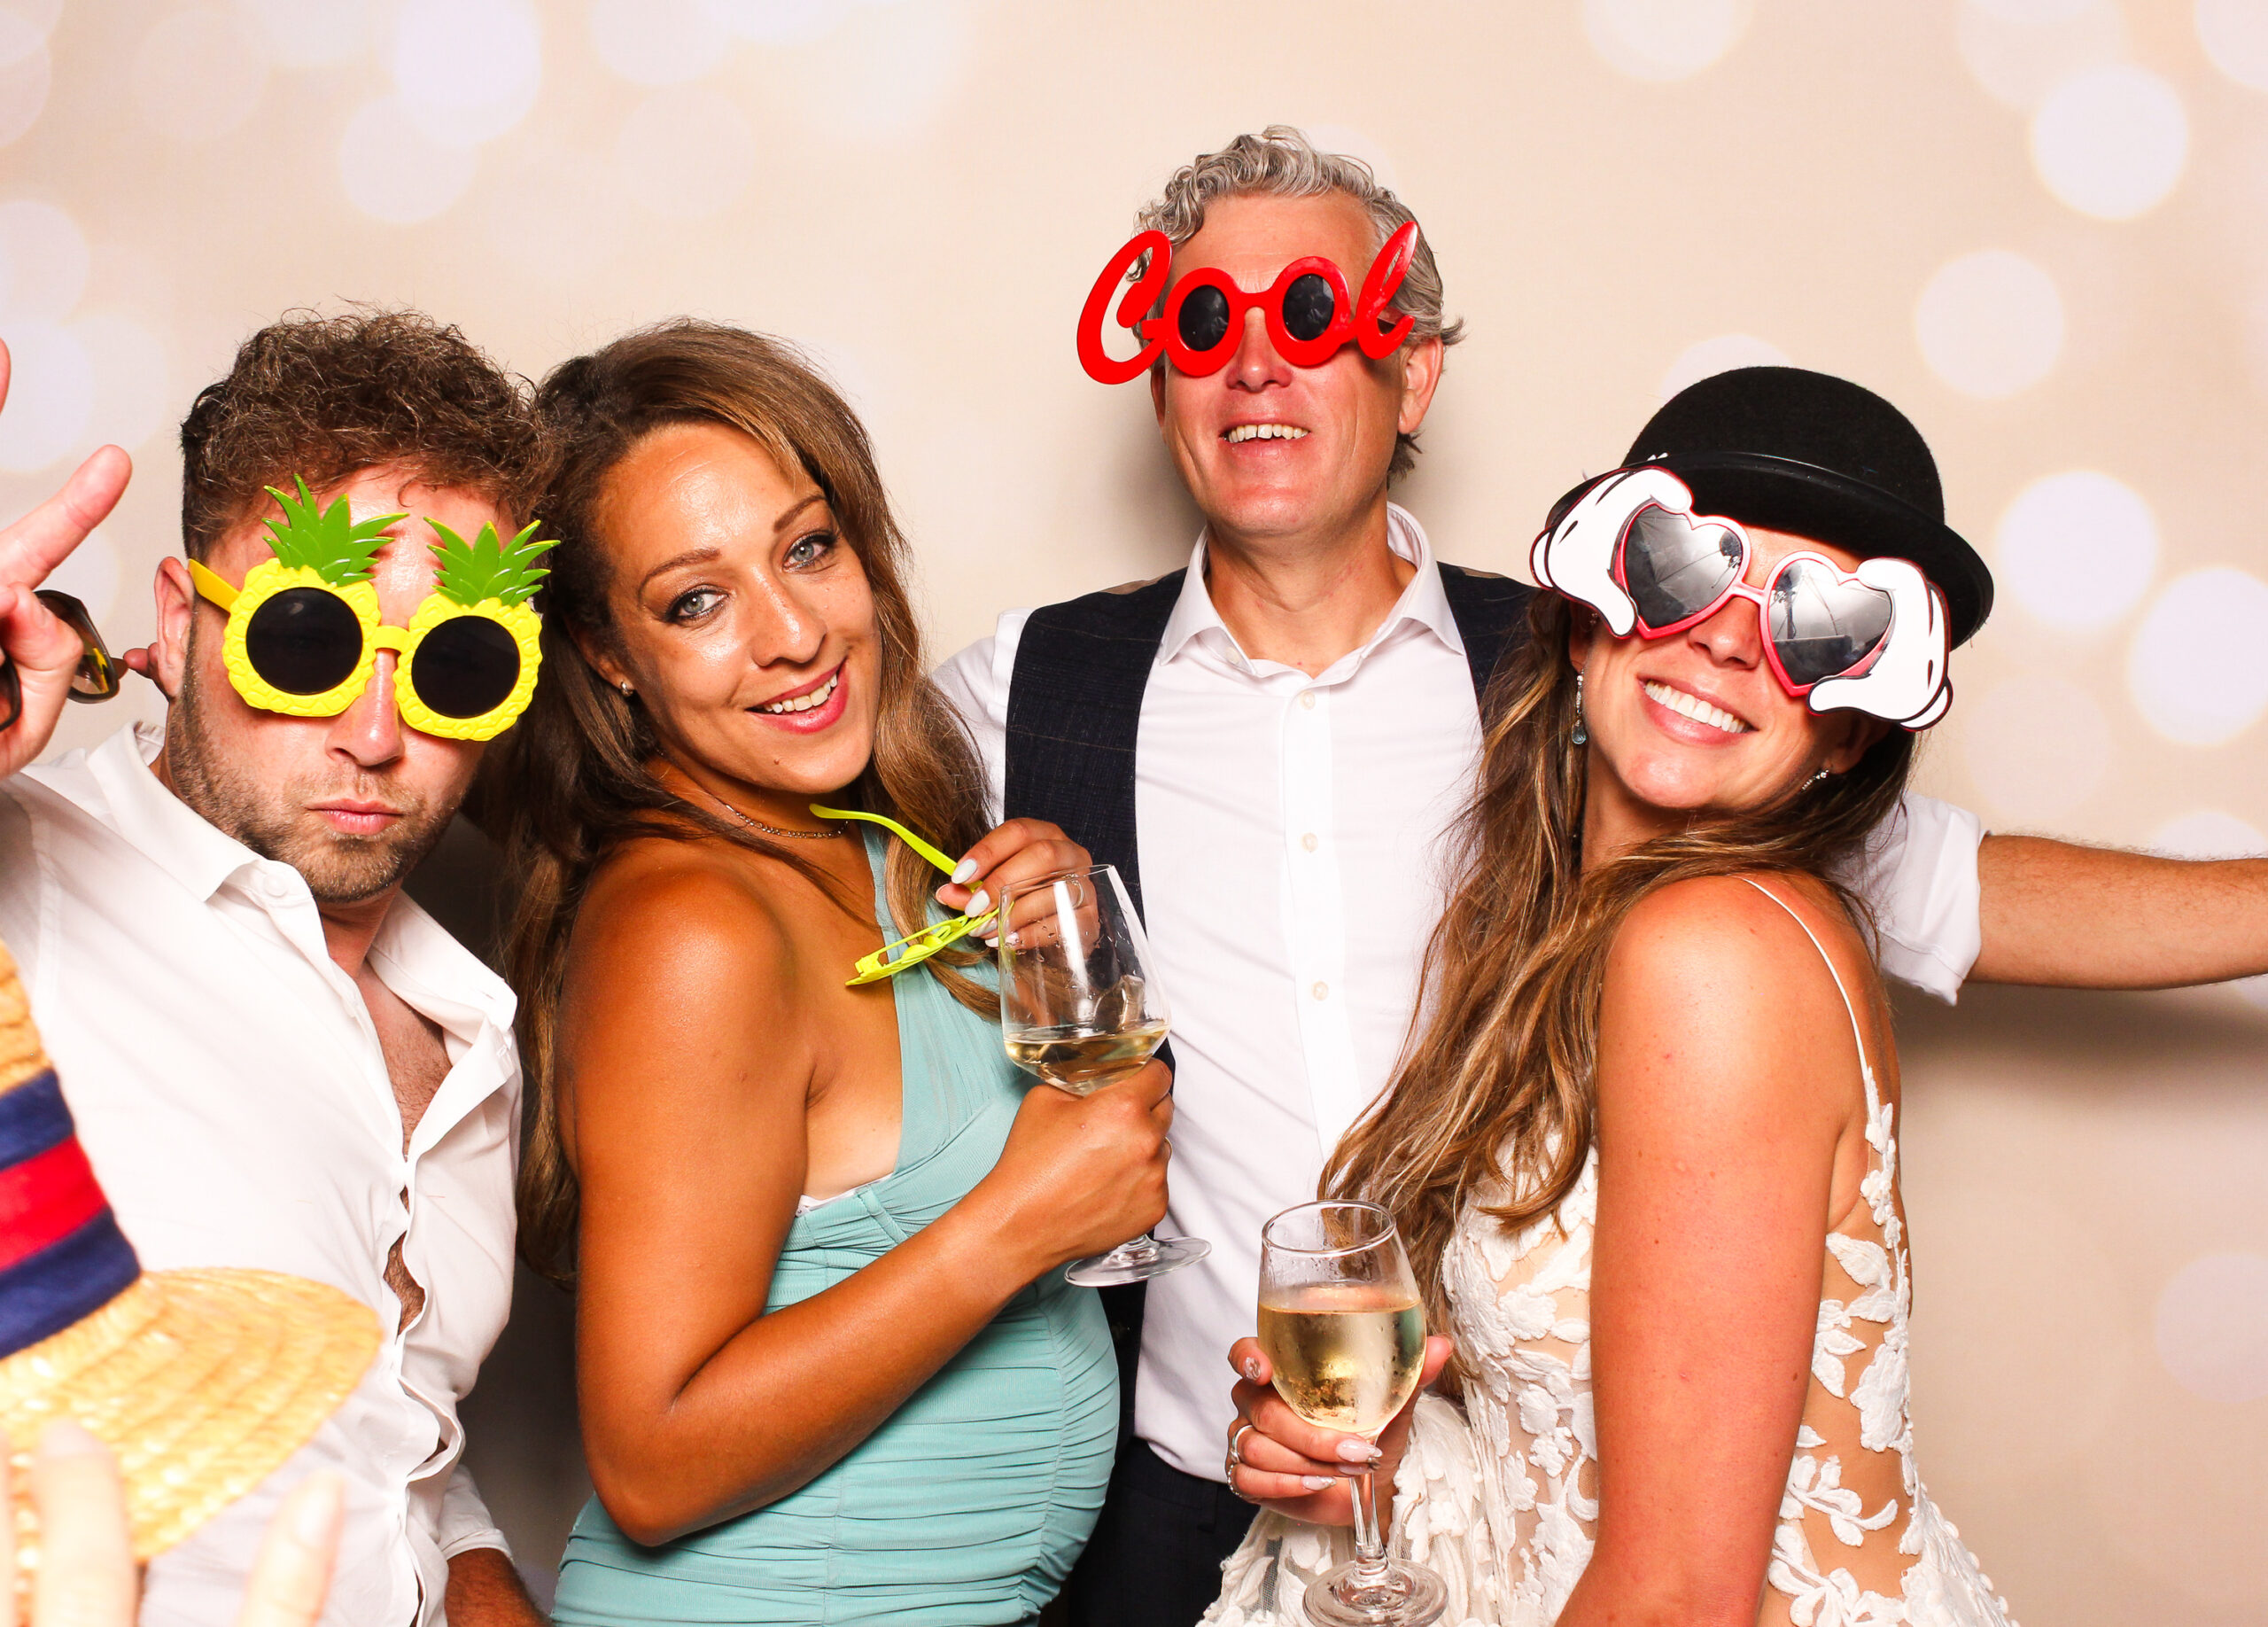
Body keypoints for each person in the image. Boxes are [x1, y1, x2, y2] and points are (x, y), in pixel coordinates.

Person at [931, 127, 2268, 1626]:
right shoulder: (1023, 692)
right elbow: (799, 866)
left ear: (1412, 374)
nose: (1254, 363)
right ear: (1161, 378)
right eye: (1201, 322)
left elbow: (1961, 891)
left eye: (1310, 315)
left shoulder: (1621, 683)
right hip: (1220, 1484)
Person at [1210, 367, 2015, 1624]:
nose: (1729, 638)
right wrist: (1379, 1461)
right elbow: (1573, 1440)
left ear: (1852, 729)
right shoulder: (1566, 931)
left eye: (1818, 623)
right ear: (1591, 618)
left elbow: (1680, 1597)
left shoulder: (1714, 955)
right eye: (1685, 567)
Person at [498, 320, 1173, 1626]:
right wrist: (1014, 1225)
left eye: (807, 549)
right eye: (696, 601)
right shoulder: (691, 928)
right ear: (605, 653)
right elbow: (652, 1461)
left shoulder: (869, 843)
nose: (794, 634)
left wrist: (1045, 957)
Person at [0, 311, 548, 1627]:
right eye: (308, 642)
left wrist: (479, 1584)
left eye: (457, 666)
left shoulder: (472, 1027)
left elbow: (390, 1444)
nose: (377, 733)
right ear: (181, 622)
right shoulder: (26, 882)